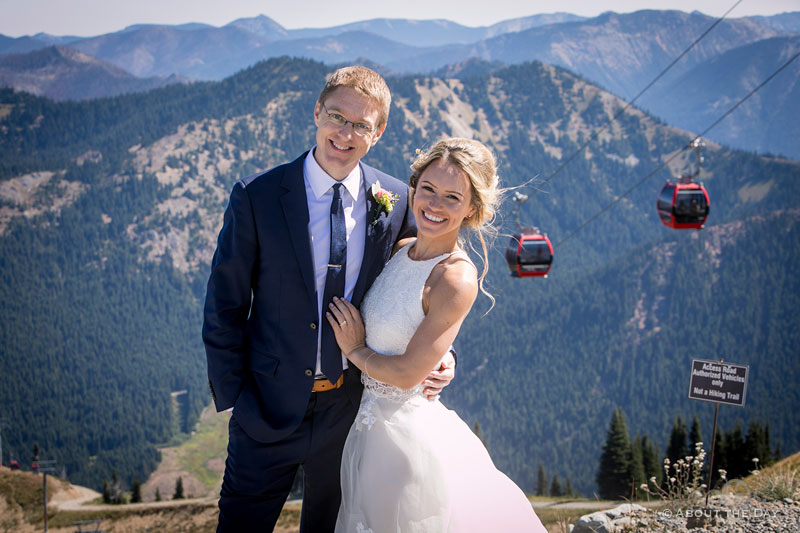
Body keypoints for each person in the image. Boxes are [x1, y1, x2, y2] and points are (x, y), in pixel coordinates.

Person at [202, 66, 456, 532]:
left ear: (377, 133)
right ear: (317, 112)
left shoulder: (397, 200)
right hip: (266, 411)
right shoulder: (257, 197)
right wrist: (238, 397)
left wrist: (443, 354)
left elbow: (418, 283)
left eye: (362, 125)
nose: (346, 133)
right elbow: (224, 305)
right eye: (337, 116)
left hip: (350, 413)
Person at [327, 138, 547, 532]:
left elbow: (410, 373)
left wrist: (355, 350)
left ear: (472, 210)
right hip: (367, 429)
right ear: (413, 187)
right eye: (427, 189)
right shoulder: (403, 248)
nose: (434, 205)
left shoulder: (455, 277)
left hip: (405, 444)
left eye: (452, 197)